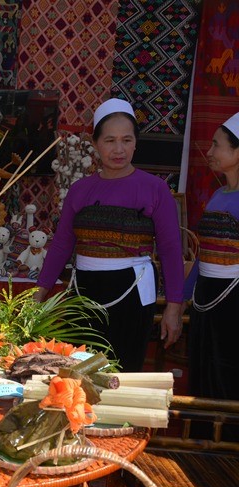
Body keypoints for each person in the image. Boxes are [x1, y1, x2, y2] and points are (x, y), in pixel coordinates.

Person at [33, 98, 184, 371]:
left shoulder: (155, 189)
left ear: (136, 143)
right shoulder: (80, 190)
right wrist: (39, 294)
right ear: (95, 143)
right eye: (110, 140)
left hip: (132, 292)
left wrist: (174, 307)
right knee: (78, 372)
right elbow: (61, 245)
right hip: (84, 292)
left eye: (126, 140)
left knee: (122, 373)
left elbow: (171, 249)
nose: (118, 149)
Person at [183, 112, 239, 402]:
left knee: (229, 375)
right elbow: (204, 252)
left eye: (216, 145)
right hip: (206, 297)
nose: (210, 152)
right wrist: (181, 298)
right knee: (203, 371)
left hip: (234, 301)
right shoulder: (218, 195)